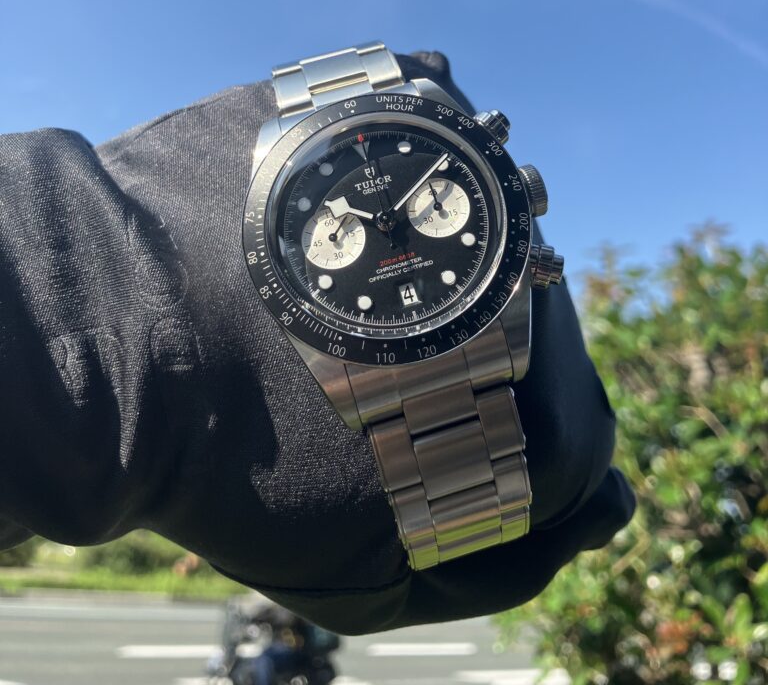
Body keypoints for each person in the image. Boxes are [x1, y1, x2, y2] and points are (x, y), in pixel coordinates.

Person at [0, 50, 634, 634]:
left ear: (520, 193)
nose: (387, 224)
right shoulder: (275, 219)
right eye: (352, 226)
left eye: (414, 210)